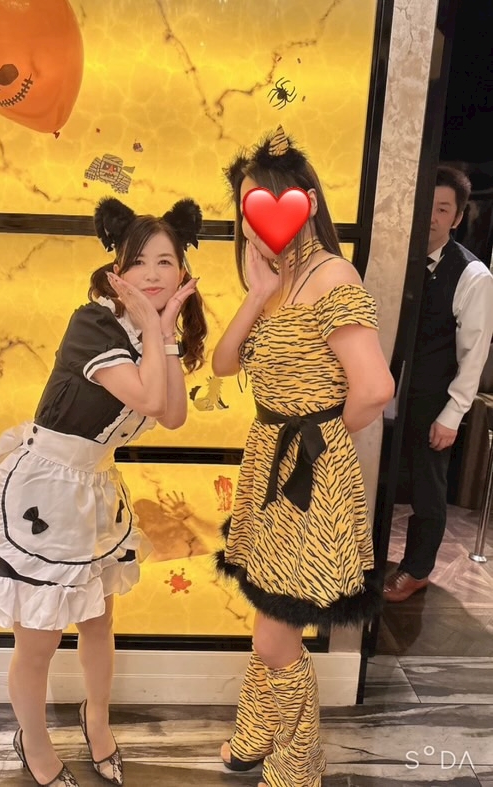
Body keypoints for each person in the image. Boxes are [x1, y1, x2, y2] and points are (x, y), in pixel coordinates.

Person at [0, 197, 207, 787]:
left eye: (166, 262)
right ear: (116, 270)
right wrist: (157, 327)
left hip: (96, 487)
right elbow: (150, 399)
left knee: (99, 621)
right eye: (139, 262)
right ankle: (32, 740)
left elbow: (175, 415)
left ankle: (96, 719)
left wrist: (163, 333)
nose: (153, 275)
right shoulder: (93, 324)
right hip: (46, 490)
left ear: (183, 270)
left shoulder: (149, 333)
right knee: (40, 639)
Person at [212, 125, 394, 787]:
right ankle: (256, 734)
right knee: (271, 617)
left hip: (308, 472)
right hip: (270, 459)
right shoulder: (276, 281)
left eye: (266, 201)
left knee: (274, 633)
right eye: (247, 206)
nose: (254, 219)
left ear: (306, 203)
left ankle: (298, 764)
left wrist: (319, 440)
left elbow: (375, 388)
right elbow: (224, 363)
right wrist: (256, 294)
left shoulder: (331, 275)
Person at [384, 165, 493, 602]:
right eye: (424, 205)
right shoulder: (394, 259)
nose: (430, 216)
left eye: (443, 209)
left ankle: (417, 570)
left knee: (427, 490)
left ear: (458, 217)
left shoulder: (473, 276)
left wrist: (453, 414)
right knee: (380, 480)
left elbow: (474, 354)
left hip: (433, 398)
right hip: (384, 394)